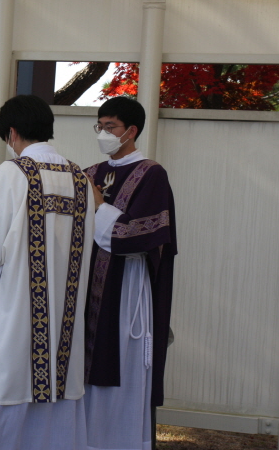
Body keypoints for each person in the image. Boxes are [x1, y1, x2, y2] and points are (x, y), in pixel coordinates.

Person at [0, 95, 95, 450]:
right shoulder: (80, 178)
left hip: (15, 308)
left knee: (1, 382)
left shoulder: (12, 173)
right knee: (55, 389)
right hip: (64, 317)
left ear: (11, 133)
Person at [83, 96, 177, 450]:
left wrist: (100, 206)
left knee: (120, 361)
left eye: (111, 127)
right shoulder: (89, 173)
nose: (103, 134)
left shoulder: (151, 174)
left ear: (131, 131)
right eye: (100, 126)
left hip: (125, 287)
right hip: (86, 287)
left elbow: (135, 235)